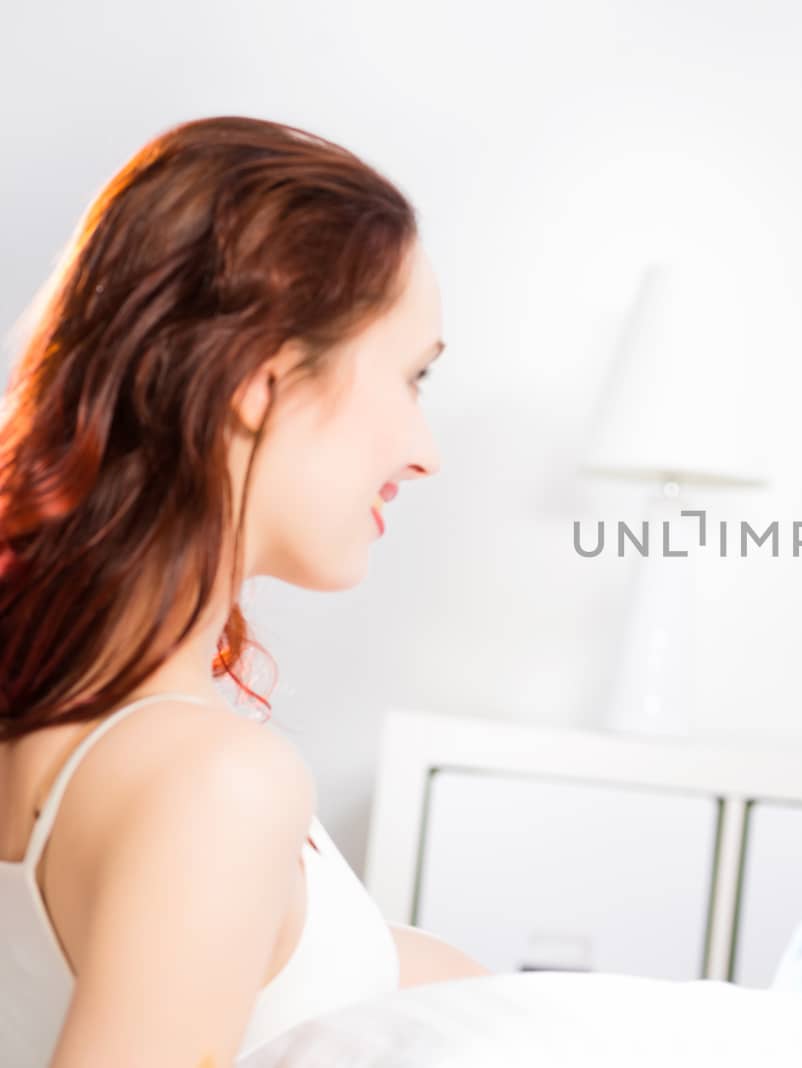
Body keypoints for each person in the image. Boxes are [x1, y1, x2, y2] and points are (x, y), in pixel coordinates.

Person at [0, 117, 489, 1068]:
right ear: (263, 382)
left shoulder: (104, 746)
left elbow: (331, 974)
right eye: (411, 376)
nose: (426, 454)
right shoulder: (210, 783)